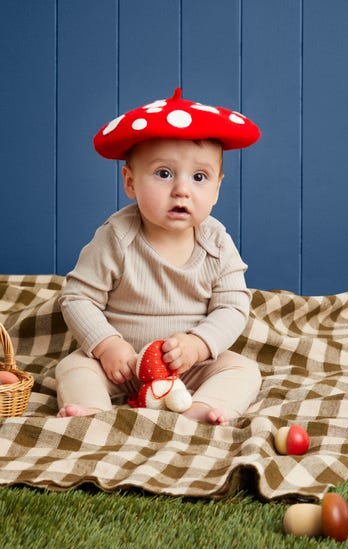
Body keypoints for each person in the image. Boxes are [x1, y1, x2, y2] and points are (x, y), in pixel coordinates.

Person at [56, 88, 262, 425]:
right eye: (164, 173)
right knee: (73, 367)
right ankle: (92, 413)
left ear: (217, 188)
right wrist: (107, 345)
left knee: (243, 368)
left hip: (189, 368)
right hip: (122, 366)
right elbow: (78, 297)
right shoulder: (116, 237)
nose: (182, 189)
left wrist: (198, 345)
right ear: (130, 182)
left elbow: (233, 305)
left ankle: (206, 408)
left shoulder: (217, 241)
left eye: (199, 177)